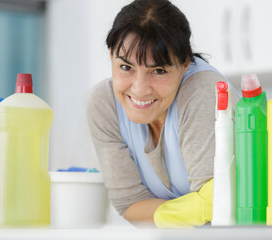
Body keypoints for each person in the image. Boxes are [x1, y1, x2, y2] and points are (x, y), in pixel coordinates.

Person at [87, 0, 239, 227]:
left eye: (158, 71)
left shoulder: (203, 92)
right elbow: (130, 204)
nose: (139, 89)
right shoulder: (105, 104)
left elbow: (217, 209)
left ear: (185, 63)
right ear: (111, 56)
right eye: (126, 67)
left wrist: (169, 214)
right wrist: (186, 210)